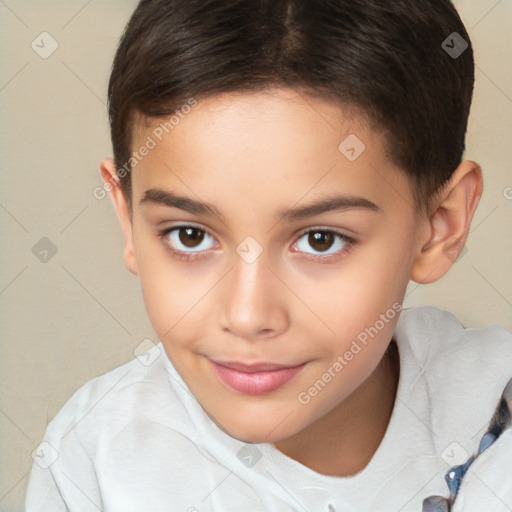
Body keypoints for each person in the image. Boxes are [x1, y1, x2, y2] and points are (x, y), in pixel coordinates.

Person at [25, 0, 512, 510]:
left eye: (320, 240)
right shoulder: (93, 461)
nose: (247, 315)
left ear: (439, 227)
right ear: (128, 220)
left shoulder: (489, 430)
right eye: (190, 235)